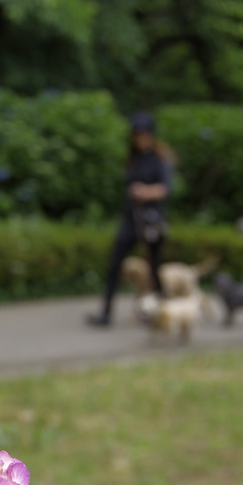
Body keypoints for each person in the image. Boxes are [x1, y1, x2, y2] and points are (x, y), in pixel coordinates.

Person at [86, 111, 175, 327]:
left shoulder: (160, 158)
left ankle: (164, 312)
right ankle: (106, 312)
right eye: (137, 134)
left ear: (151, 135)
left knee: (154, 268)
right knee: (115, 263)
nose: (140, 138)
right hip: (131, 218)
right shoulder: (132, 158)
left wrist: (145, 192)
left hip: (151, 220)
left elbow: (165, 188)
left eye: (144, 134)